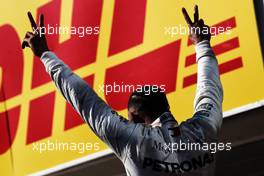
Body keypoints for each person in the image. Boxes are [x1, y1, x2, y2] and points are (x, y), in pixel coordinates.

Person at [22, 5, 223, 176]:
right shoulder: (202, 131)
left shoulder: (131, 139)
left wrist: (44, 54)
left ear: (135, 116)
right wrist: (202, 43)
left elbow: (83, 98)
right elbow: (209, 89)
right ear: (166, 107)